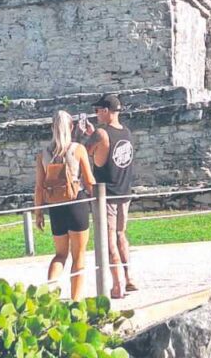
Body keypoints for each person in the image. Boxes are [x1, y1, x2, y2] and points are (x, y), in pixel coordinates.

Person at [34, 110, 96, 300]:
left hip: (55, 206)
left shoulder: (43, 154)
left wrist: (38, 212)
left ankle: (50, 292)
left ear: (52, 127)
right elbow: (89, 181)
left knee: (60, 255)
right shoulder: (78, 149)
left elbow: (39, 187)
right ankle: (75, 300)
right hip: (76, 203)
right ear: (71, 127)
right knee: (79, 256)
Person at [83, 93, 137, 299]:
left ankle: (117, 285)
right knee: (121, 235)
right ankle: (129, 277)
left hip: (107, 194)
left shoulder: (101, 133)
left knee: (108, 240)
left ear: (106, 111)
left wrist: (86, 134)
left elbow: (86, 152)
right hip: (125, 191)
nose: (96, 114)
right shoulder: (127, 132)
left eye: (98, 110)